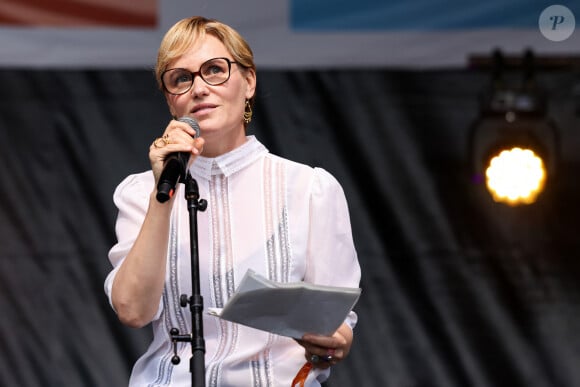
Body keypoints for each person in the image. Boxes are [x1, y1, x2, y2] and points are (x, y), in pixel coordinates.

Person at [104, 16, 361, 387]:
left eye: (214, 70)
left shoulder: (308, 188)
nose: (199, 88)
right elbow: (132, 311)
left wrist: (333, 343)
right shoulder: (141, 191)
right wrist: (163, 195)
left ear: (249, 82)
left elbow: (335, 325)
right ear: (170, 99)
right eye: (182, 78)